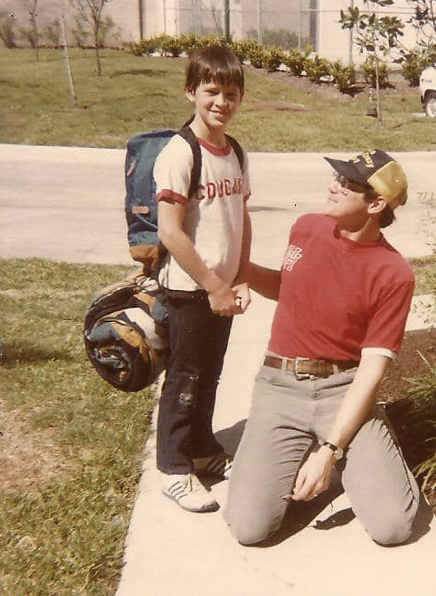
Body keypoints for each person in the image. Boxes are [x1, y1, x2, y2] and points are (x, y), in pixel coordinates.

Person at [224, 149, 420, 545]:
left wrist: (329, 451)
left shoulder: (393, 273)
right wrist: (237, 272)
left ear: (376, 204)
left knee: (393, 528)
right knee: (249, 529)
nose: (333, 186)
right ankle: (316, 448)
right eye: (337, 178)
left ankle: (362, 446)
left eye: (347, 184)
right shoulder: (307, 228)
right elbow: (288, 287)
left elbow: (371, 369)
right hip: (280, 387)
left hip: (342, 389)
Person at [153, 46, 252, 513]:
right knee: (186, 377)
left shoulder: (234, 151)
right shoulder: (181, 152)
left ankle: (203, 448)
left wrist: (240, 277)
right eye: (211, 91)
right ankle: (173, 466)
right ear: (191, 91)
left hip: (222, 288)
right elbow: (169, 231)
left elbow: (241, 216)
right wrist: (213, 284)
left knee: (210, 373)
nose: (221, 102)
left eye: (231, 94)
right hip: (190, 289)